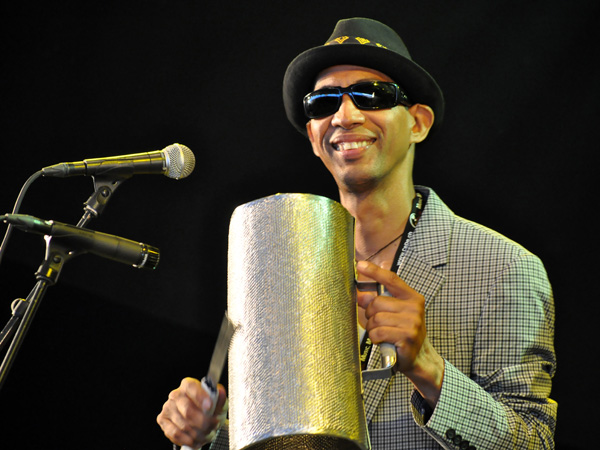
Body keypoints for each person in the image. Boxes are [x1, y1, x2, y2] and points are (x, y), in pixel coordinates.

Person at [157, 17, 557, 450]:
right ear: (312, 135)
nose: (345, 115)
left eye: (372, 95)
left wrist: (428, 368)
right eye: (323, 103)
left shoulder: (505, 268)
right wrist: (206, 435)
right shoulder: (281, 273)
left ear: (418, 123)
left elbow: (534, 441)